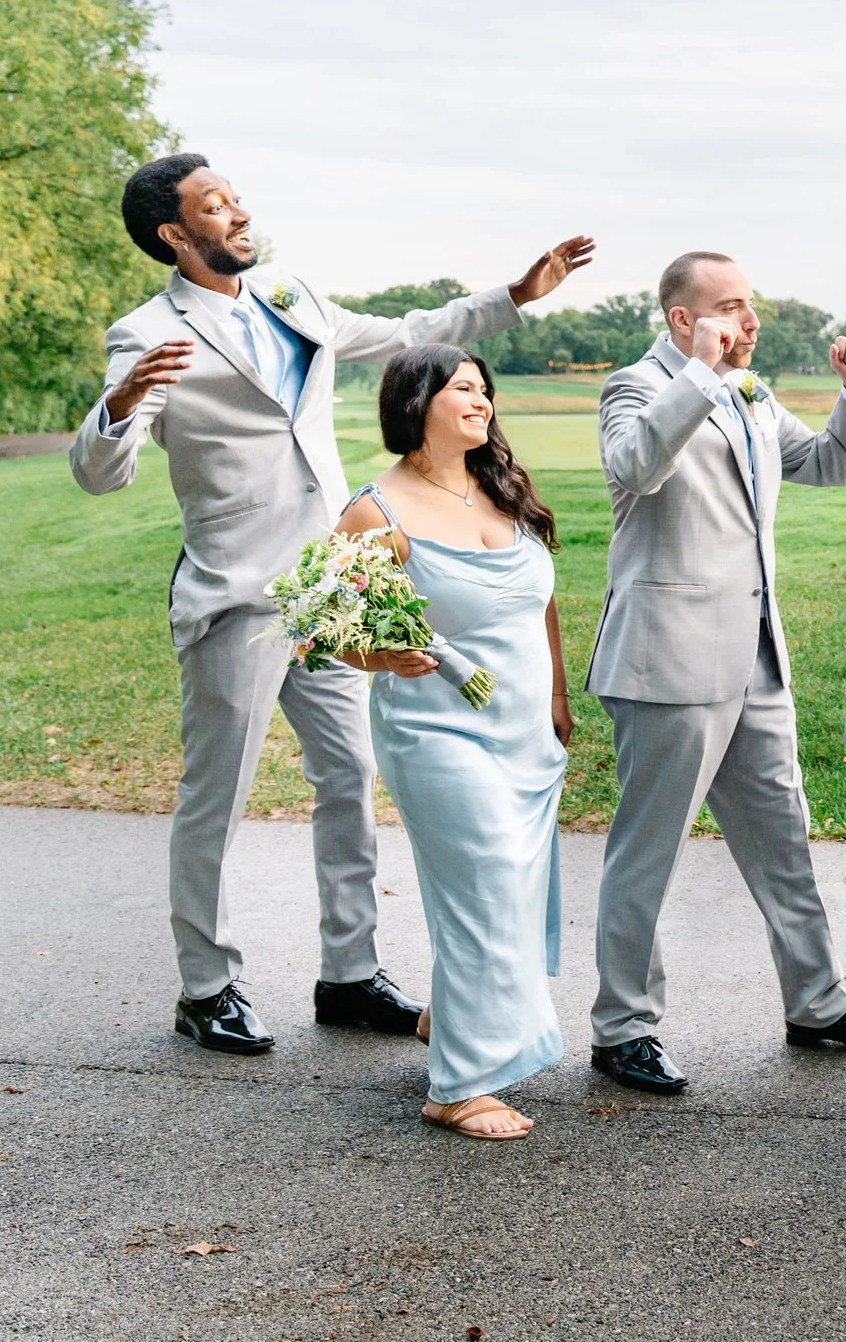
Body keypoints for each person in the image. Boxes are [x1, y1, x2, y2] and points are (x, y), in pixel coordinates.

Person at [66, 152, 592, 1055]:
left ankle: (348, 974)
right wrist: (117, 405)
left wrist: (513, 294)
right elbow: (98, 472)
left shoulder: (288, 296)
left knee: (349, 779)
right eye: (214, 205)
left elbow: (406, 330)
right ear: (173, 233)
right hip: (236, 595)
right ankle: (207, 985)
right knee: (216, 796)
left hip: (337, 591)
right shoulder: (145, 330)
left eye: (234, 198)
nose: (237, 213)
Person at [584, 251, 846, 1094]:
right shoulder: (636, 387)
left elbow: (823, 463)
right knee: (648, 852)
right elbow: (635, 466)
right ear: (681, 319)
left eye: (751, 307)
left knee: (785, 841)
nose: (750, 321)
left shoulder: (751, 393)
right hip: (667, 659)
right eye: (732, 307)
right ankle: (622, 1026)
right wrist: (700, 373)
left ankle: (817, 1001)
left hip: (756, 655)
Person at [334, 348, 573, 1139]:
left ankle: (452, 1011)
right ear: (418, 401)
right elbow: (333, 634)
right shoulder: (376, 511)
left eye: (484, 388)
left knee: (510, 884)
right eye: (462, 388)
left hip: (523, 730)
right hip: (436, 727)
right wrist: (382, 655)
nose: (481, 399)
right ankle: (460, 1086)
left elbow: (540, 606)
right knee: (488, 876)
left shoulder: (499, 485)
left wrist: (557, 699)